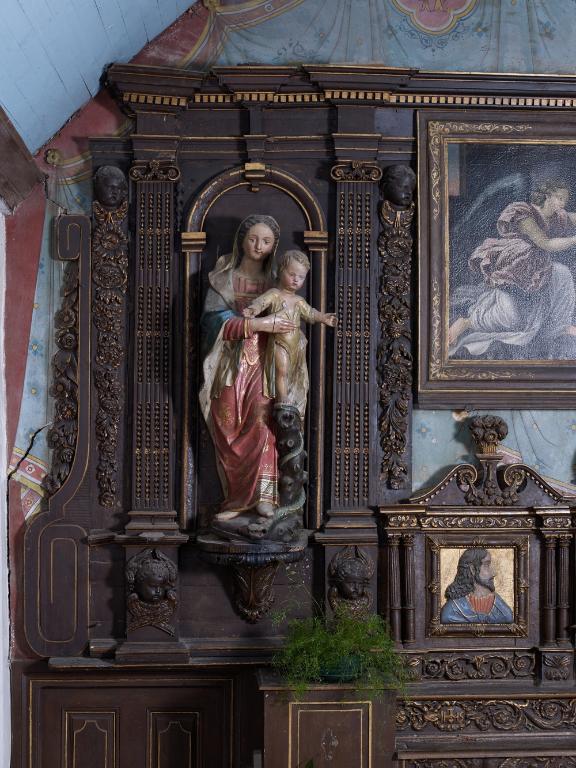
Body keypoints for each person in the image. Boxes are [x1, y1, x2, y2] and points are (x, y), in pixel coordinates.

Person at [199, 215, 297, 523]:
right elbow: (210, 321)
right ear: (241, 240)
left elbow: (293, 315)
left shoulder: (277, 282)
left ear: (274, 246)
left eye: (266, 241)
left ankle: (264, 497)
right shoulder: (223, 279)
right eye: (253, 239)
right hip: (229, 363)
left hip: (265, 363)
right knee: (227, 427)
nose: (258, 246)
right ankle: (236, 498)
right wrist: (258, 324)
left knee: (262, 423)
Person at [449, 179, 576, 359]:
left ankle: (560, 327)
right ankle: (467, 322)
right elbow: (545, 243)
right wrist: (574, 240)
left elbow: (571, 217)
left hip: (538, 268)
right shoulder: (523, 213)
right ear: (547, 196)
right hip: (515, 267)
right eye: (560, 198)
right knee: (511, 318)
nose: (563, 203)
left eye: (565, 199)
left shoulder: (557, 216)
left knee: (562, 273)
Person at [242, 249, 337, 414]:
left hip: (296, 346)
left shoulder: (299, 301)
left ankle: (290, 396)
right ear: (281, 271)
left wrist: (323, 317)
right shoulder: (275, 294)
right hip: (279, 342)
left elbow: (310, 313)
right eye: (292, 274)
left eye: (301, 277)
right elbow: (260, 303)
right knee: (282, 370)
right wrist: (252, 310)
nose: (296, 280)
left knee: (292, 373)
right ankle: (282, 397)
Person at [441, 548, 513, 624]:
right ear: (473, 569)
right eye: (486, 565)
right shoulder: (452, 611)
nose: (493, 573)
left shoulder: (503, 611)